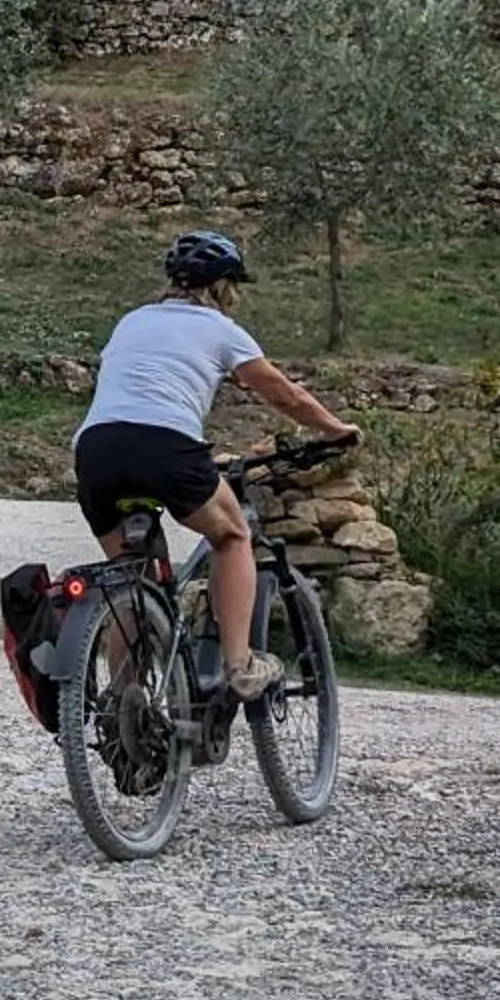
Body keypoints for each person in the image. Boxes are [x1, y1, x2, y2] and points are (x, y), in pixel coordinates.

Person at [75, 229, 359, 701]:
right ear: (222, 285)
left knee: (131, 573)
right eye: (235, 286)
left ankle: (125, 703)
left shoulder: (132, 320)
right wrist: (336, 430)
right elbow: (284, 394)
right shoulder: (221, 329)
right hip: (166, 446)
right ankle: (239, 664)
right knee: (232, 536)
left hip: (96, 449)